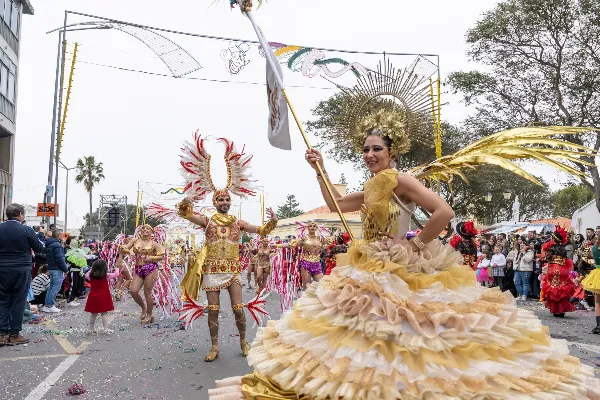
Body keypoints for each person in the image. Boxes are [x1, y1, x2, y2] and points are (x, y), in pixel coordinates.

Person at [209, 121, 600, 398]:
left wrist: (415, 245)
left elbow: (444, 213)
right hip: (367, 263)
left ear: (391, 152)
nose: (370, 154)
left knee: (415, 337)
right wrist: (320, 169)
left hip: (403, 264)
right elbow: (333, 203)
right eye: (365, 149)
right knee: (370, 336)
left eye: (376, 148)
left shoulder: (401, 179)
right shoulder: (372, 184)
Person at [176, 134, 278, 362]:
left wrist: (273, 222)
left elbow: (261, 231)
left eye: (227, 200)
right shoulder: (207, 221)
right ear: (214, 202)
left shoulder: (238, 223)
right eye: (220, 200)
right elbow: (185, 213)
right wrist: (186, 201)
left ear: (231, 202)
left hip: (232, 271)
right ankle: (214, 346)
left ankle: (243, 340)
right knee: (213, 310)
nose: (224, 203)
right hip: (212, 270)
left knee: (238, 308)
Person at [0, 204, 45, 346]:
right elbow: (39, 247)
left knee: (2, 300)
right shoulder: (27, 230)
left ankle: (1, 334)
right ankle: (14, 334)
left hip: (2, 268)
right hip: (21, 269)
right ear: (19, 214)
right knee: (18, 302)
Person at [119, 225, 164, 324]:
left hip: (151, 268)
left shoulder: (154, 244)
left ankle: (149, 314)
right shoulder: (135, 241)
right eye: (143, 229)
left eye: (148, 229)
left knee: (147, 292)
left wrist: (151, 258)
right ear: (140, 231)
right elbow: (125, 248)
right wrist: (124, 249)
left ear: (151, 232)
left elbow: (162, 256)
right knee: (133, 290)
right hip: (138, 268)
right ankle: (143, 307)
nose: (145, 230)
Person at [540, 226, 575, 318]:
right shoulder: (563, 248)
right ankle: (562, 311)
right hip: (563, 270)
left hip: (554, 269)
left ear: (553, 238)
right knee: (562, 290)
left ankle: (556, 310)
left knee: (554, 290)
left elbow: (547, 258)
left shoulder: (552, 248)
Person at [84, 259, 119, 334]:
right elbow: (116, 274)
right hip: (104, 296)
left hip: (93, 296)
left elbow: (86, 275)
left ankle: (91, 329)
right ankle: (105, 329)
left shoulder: (91, 276)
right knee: (104, 313)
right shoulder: (106, 275)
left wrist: (91, 270)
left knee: (93, 314)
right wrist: (117, 268)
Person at [42, 229, 68, 313]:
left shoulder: (49, 244)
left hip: (51, 267)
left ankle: (47, 305)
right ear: (59, 236)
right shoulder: (57, 245)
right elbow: (60, 259)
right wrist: (65, 269)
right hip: (57, 269)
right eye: (62, 235)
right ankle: (51, 305)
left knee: (51, 287)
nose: (63, 236)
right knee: (56, 287)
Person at [582, 234, 600, 334]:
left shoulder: (593, 248)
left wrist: (593, 262)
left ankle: (599, 325)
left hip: (597, 273)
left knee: (598, 301)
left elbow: (584, 257)